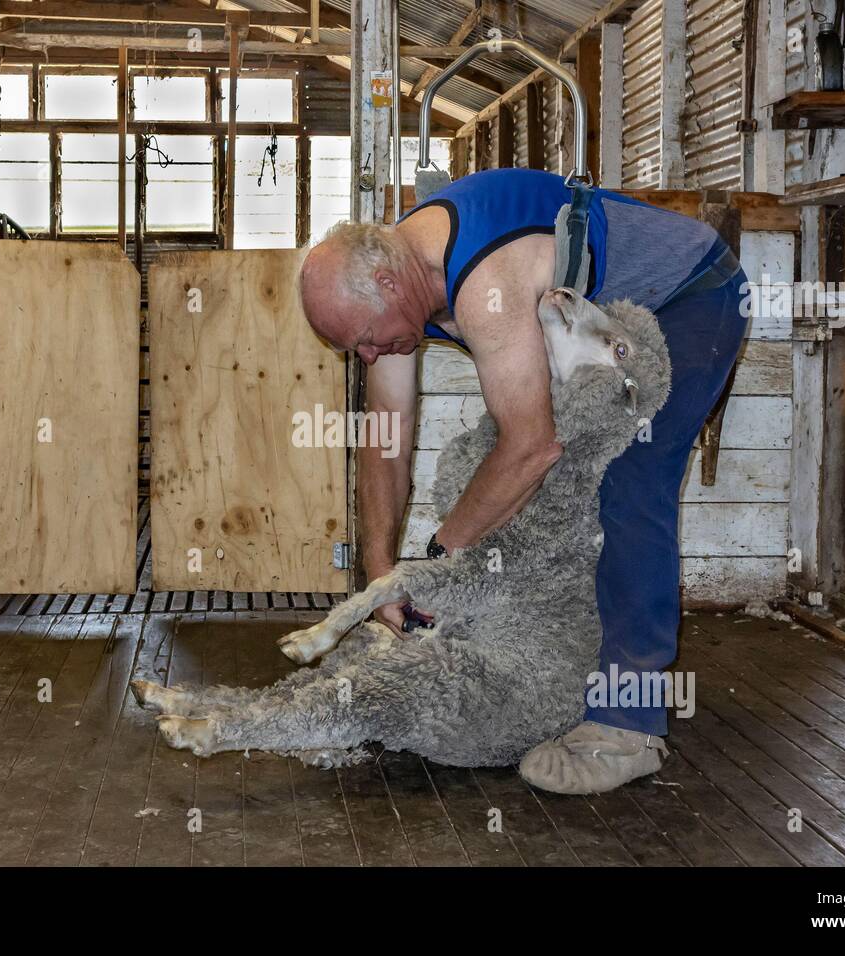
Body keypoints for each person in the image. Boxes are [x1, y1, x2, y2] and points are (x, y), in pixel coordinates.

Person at [297, 167, 749, 794]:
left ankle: (628, 724)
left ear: (385, 281)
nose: (369, 357)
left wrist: (437, 564)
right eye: (357, 351)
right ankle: (550, 678)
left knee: (628, 480)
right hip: (605, 318)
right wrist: (381, 578)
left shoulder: (486, 280)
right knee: (518, 489)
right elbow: (386, 444)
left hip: (692, 295)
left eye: (366, 343)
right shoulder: (396, 295)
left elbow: (530, 448)